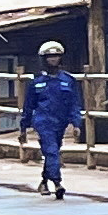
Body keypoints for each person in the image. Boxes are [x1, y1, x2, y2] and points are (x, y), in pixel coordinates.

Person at [23, 44, 84, 198]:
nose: (53, 60)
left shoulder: (68, 80)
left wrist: (76, 124)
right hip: (43, 122)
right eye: (49, 57)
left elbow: (74, 104)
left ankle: (44, 181)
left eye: (56, 56)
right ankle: (57, 183)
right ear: (44, 59)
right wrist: (23, 127)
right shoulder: (36, 82)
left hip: (60, 122)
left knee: (53, 152)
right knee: (51, 152)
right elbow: (28, 106)